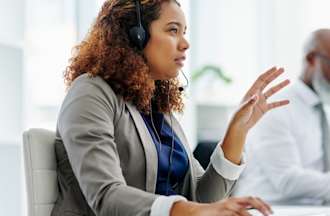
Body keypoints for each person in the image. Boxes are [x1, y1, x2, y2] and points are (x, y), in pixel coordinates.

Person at [51, 0, 290, 215]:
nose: (185, 43)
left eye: (184, 32)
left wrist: (237, 132)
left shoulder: (158, 108)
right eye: (173, 30)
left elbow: (203, 201)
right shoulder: (90, 92)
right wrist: (187, 210)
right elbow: (105, 195)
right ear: (137, 35)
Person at [234, 29, 330, 206]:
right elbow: (287, 180)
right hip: (272, 207)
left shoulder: (323, 108)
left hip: (315, 208)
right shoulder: (275, 107)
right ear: (311, 59)